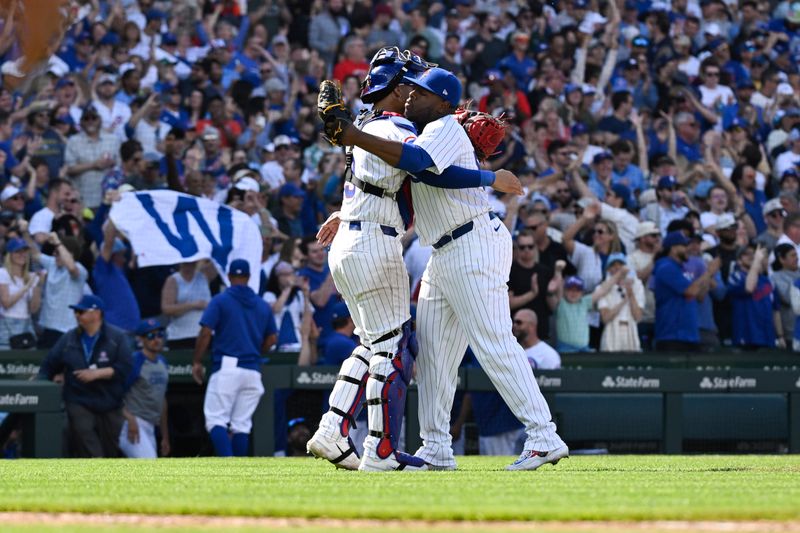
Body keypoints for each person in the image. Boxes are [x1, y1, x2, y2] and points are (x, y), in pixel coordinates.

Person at [327, 66, 568, 471]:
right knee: (436, 354)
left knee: (492, 341)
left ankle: (543, 435)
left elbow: (424, 167)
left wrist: (352, 134)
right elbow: (395, 183)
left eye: (419, 93)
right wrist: (346, 211)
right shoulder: (420, 130)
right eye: (410, 91)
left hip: (471, 242)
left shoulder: (442, 126)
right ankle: (436, 446)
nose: (409, 97)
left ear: (440, 101)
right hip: (445, 250)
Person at [192, 259, 277, 457]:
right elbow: (272, 338)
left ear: (229, 276)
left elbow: (206, 332)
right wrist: (256, 351)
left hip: (228, 365)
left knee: (216, 420)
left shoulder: (221, 300)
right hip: (252, 369)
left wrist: (197, 360)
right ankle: (237, 465)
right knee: (241, 424)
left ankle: (228, 463)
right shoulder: (262, 305)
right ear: (248, 277)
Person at [37, 295, 133, 458]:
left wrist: (97, 374)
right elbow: (49, 364)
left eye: (81, 312)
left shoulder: (117, 337)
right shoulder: (69, 338)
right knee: (88, 441)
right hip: (79, 398)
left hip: (109, 400)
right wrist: (39, 384)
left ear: (96, 313)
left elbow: (125, 368)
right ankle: (96, 473)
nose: (77, 315)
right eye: (76, 312)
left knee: (113, 450)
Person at [653, 231, 721, 351]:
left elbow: (700, 296)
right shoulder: (666, 267)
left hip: (689, 333)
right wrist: (708, 272)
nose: (687, 249)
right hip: (672, 334)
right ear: (673, 249)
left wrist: (709, 275)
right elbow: (690, 291)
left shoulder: (680, 269)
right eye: (684, 246)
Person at [119, 319, 170, 459]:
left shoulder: (163, 362)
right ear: (141, 340)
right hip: (131, 424)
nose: (157, 339)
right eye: (150, 336)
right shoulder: (135, 361)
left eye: (159, 335)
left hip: (151, 426)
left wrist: (165, 436)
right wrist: (129, 419)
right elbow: (114, 394)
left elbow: (162, 400)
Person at [727, 244, 778, 349]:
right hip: (747, 336)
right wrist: (756, 262)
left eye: (754, 254)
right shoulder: (736, 277)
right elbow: (749, 288)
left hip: (767, 336)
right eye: (747, 254)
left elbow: (775, 310)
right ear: (739, 260)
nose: (752, 256)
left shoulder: (767, 281)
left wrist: (780, 336)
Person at [595, 253, 645, 352]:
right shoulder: (601, 288)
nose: (618, 267)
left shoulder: (637, 285)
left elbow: (638, 317)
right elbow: (605, 318)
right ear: (608, 269)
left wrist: (630, 292)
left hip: (631, 331)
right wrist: (624, 301)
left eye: (620, 264)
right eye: (613, 265)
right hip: (611, 332)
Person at [0, 237, 44, 348]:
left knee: (29, 361)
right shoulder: (3, 273)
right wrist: (26, 287)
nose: (22, 254)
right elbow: (6, 303)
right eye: (17, 251)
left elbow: (33, 309)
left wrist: (37, 285)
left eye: (24, 251)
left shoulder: (30, 276)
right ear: (10, 254)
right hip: (7, 322)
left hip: (26, 323)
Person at [160, 261, 213, 350]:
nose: (189, 264)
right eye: (187, 262)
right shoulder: (173, 279)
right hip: (181, 336)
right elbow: (166, 309)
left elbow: (216, 260)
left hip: (204, 334)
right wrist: (193, 305)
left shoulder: (204, 275)